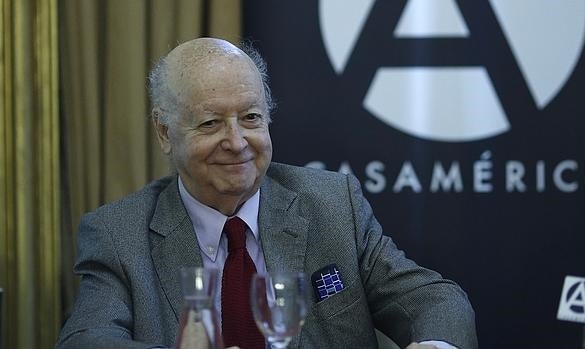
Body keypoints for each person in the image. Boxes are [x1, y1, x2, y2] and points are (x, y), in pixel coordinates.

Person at [56, 37, 478, 349]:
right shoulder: (118, 234)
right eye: (210, 124)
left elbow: (434, 299)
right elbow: (86, 339)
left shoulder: (332, 205)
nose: (237, 141)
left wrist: (437, 345)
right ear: (164, 132)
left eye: (251, 117)